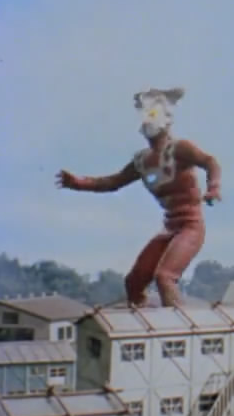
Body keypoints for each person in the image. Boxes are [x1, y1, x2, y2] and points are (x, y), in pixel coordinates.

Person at [55, 87, 221, 307]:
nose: (148, 121)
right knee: (134, 282)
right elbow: (113, 182)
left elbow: (210, 162)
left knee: (165, 277)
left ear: (166, 119)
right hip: (170, 227)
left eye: (152, 114)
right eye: (145, 115)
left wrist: (213, 187)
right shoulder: (142, 161)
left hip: (190, 226)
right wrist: (79, 183)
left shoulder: (179, 149)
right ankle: (143, 317)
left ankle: (179, 324)